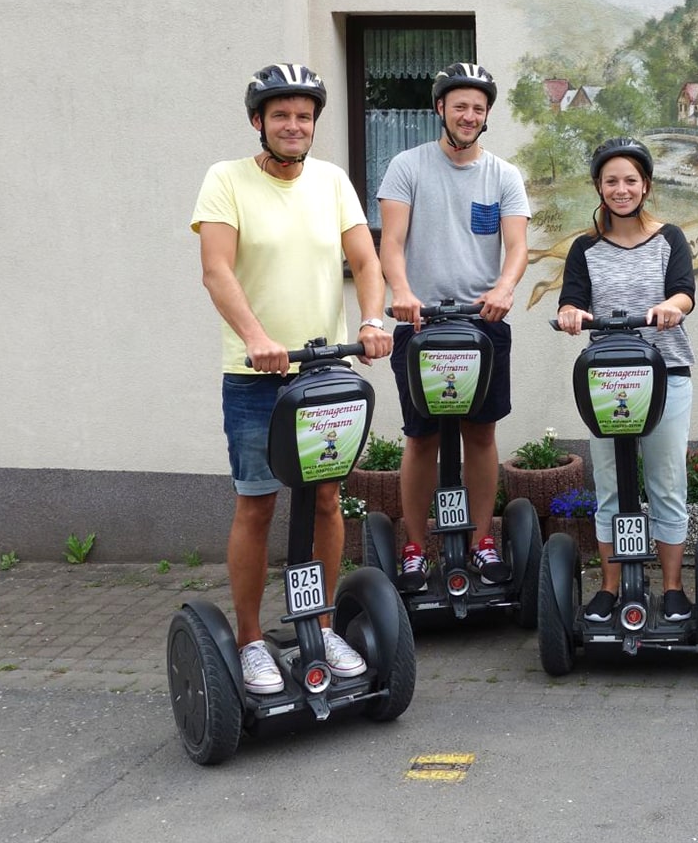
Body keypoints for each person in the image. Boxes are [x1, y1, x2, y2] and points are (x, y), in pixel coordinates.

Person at [193, 63, 393, 694]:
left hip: (324, 372)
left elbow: (364, 257)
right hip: (256, 377)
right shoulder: (225, 181)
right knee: (257, 504)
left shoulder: (333, 181)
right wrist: (256, 337)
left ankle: (324, 624)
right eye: (280, 114)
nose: (293, 125)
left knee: (328, 499)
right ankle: (252, 639)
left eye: (303, 116)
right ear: (259, 121)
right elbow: (217, 270)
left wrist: (372, 318)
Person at [378, 62, 531, 591]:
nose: (469, 116)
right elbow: (391, 243)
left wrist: (505, 287)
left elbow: (516, 248)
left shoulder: (504, 175)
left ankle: (482, 540)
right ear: (440, 108)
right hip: (420, 323)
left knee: (481, 435)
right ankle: (417, 547)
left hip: (480, 324)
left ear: (487, 116)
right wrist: (400, 291)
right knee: (420, 439)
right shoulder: (407, 166)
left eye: (478, 108)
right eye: (459, 105)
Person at [553, 137, 698, 623]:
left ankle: (674, 588)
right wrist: (572, 315)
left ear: (646, 186)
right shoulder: (585, 249)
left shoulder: (669, 238)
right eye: (611, 180)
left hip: (666, 375)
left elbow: (684, 293)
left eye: (630, 180)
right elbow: (570, 302)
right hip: (608, 379)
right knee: (612, 486)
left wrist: (669, 308)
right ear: (599, 186)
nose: (621, 189)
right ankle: (611, 586)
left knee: (666, 481)